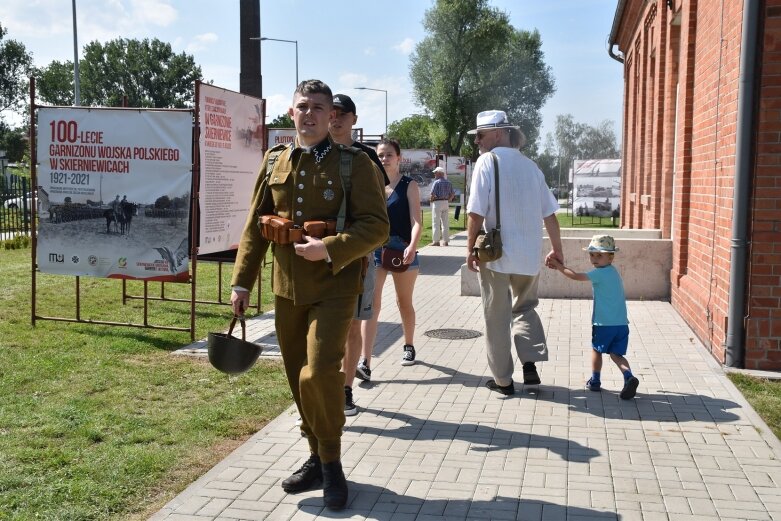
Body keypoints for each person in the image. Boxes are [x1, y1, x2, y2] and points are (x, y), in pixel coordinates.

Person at [230, 79, 389, 510]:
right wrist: (242, 283)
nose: (311, 114)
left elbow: (377, 227)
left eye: (320, 107)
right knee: (295, 378)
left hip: (336, 288)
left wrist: (330, 248)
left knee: (317, 374)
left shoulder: (353, 163)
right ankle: (315, 458)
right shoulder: (275, 160)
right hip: (287, 290)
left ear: (331, 116)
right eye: (303, 106)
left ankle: (333, 465)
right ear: (291, 112)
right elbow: (255, 227)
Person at [466, 110, 563, 396]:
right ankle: (529, 364)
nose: (477, 142)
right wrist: (557, 251)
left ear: (498, 133)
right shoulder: (532, 167)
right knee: (526, 308)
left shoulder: (487, 162)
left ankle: (503, 381)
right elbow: (551, 215)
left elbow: (475, 213)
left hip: (496, 254)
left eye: (480, 135)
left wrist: (470, 249)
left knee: (496, 316)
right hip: (529, 254)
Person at [329, 93, 388, 416]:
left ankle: (346, 390)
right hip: (319, 253)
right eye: (332, 113)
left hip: (357, 254)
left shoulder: (366, 157)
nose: (335, 119)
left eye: (342, 114)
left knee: (352, 326)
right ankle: (321, 390)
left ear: (353, 118)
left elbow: (378, 206)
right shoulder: (315, 153)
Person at [547, 234, 640, 399]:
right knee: (616, 354)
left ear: (611, 257)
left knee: (596, 350)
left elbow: (575, 276)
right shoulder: (613, 271)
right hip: (621, 324)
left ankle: (595, 381)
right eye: (592, 254)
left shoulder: (599, 273)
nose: (594, 259)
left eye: (599, 255)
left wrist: (559, 266)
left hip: (603, 324)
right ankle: (629, 377)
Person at [359, 138, 423, 375]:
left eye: (388, 155)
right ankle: (365, 361)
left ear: (399, 157)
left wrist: (413, 246)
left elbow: (417, 221)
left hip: (402, 248)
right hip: (376, 249)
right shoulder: (373, 184)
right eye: (380, 155)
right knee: (371, 304)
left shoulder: (409, 185)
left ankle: (409, 345)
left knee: (403, 301)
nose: (384, 159)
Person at [429, 166, 455, 246]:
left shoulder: (436, 182)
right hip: (445, 202)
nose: (435, 174)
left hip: (437, 203)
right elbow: (452, 194)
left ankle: (436, 241)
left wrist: (431, 200)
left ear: (439, 173)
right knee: (445, 222)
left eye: (435, 173)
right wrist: (449, 199)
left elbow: (432, 194)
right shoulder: (448, 182)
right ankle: (446, 241)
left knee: (435, 222)